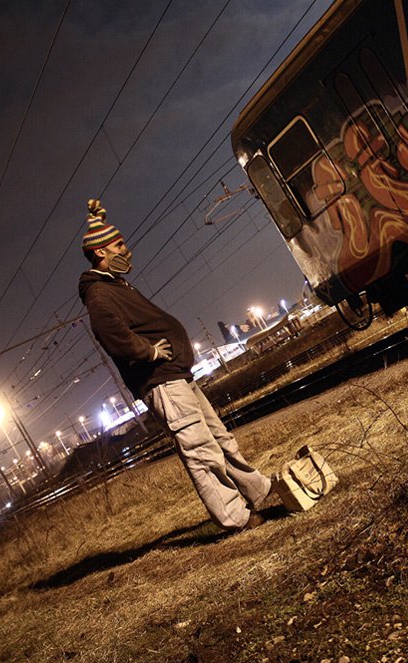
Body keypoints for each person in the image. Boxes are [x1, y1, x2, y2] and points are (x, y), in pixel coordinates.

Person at [77, 199, 271, 531]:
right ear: (100, 252)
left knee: (218, 439)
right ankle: (235, 518)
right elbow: (112, 335)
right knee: (200, 449)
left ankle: (258, 490)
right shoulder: (99, 295)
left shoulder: (115, 285)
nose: (126, 250)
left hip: (176, 376)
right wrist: (149, 352)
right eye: (119, 245)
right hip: (161, 381)